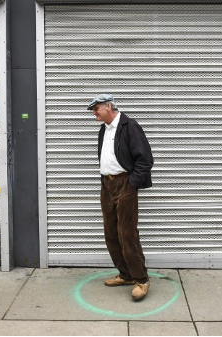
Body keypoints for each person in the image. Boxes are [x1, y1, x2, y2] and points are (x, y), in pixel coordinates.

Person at [88, 94, 154, 301]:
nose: (94, 112)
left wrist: (131, 184)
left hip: (124, 184)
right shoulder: (104, 129)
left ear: (109, 106)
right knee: (110, 233)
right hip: (107, 185)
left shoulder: (129, 126)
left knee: (127, 233)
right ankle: (125, 274)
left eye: (96, 108)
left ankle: (141, 279)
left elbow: (145, 159)